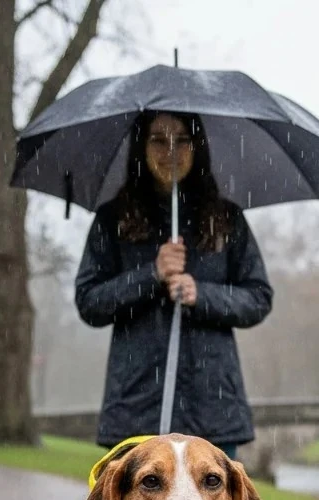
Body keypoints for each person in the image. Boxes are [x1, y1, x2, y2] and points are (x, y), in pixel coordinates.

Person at [74, 110, 273, 461]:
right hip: (136, 406)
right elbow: (90, 301)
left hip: (212, 406)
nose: (171, 149)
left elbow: (258, 297)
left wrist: (203, 294)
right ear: (141, 148)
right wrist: (151, 275)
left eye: (182, 139)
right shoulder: (113, 219)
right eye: (158, 139)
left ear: (197, 146)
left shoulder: (226, 219)